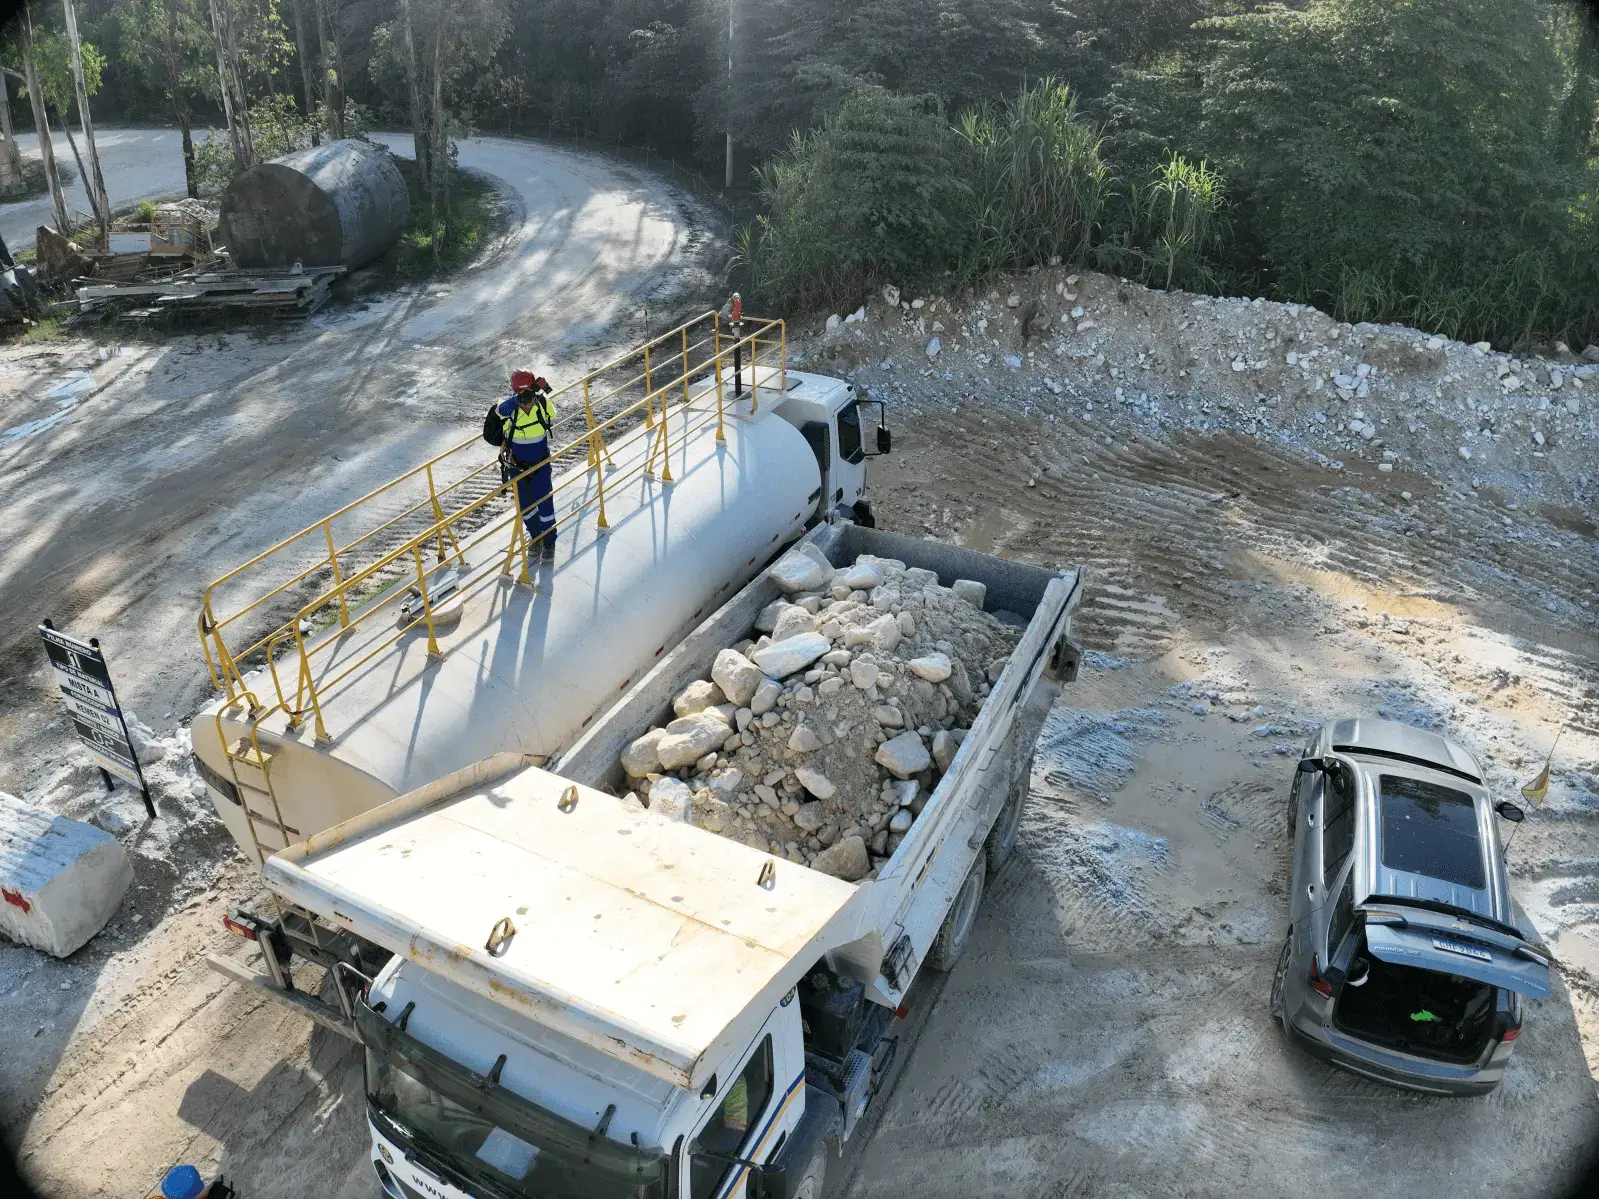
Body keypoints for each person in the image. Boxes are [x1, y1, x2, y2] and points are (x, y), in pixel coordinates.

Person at [495, 370, 557, 559]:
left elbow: (552, 415)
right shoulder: (508, 406)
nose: (527, 402)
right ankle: (536, 537)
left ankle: (549, 541)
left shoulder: (542, 403)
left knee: (545, 502)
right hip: (517, 466)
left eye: (528, 396)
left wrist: (538, 395)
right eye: (523, 397)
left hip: (540, 465)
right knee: (526, 506)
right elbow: (499, 411)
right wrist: (517, 399)